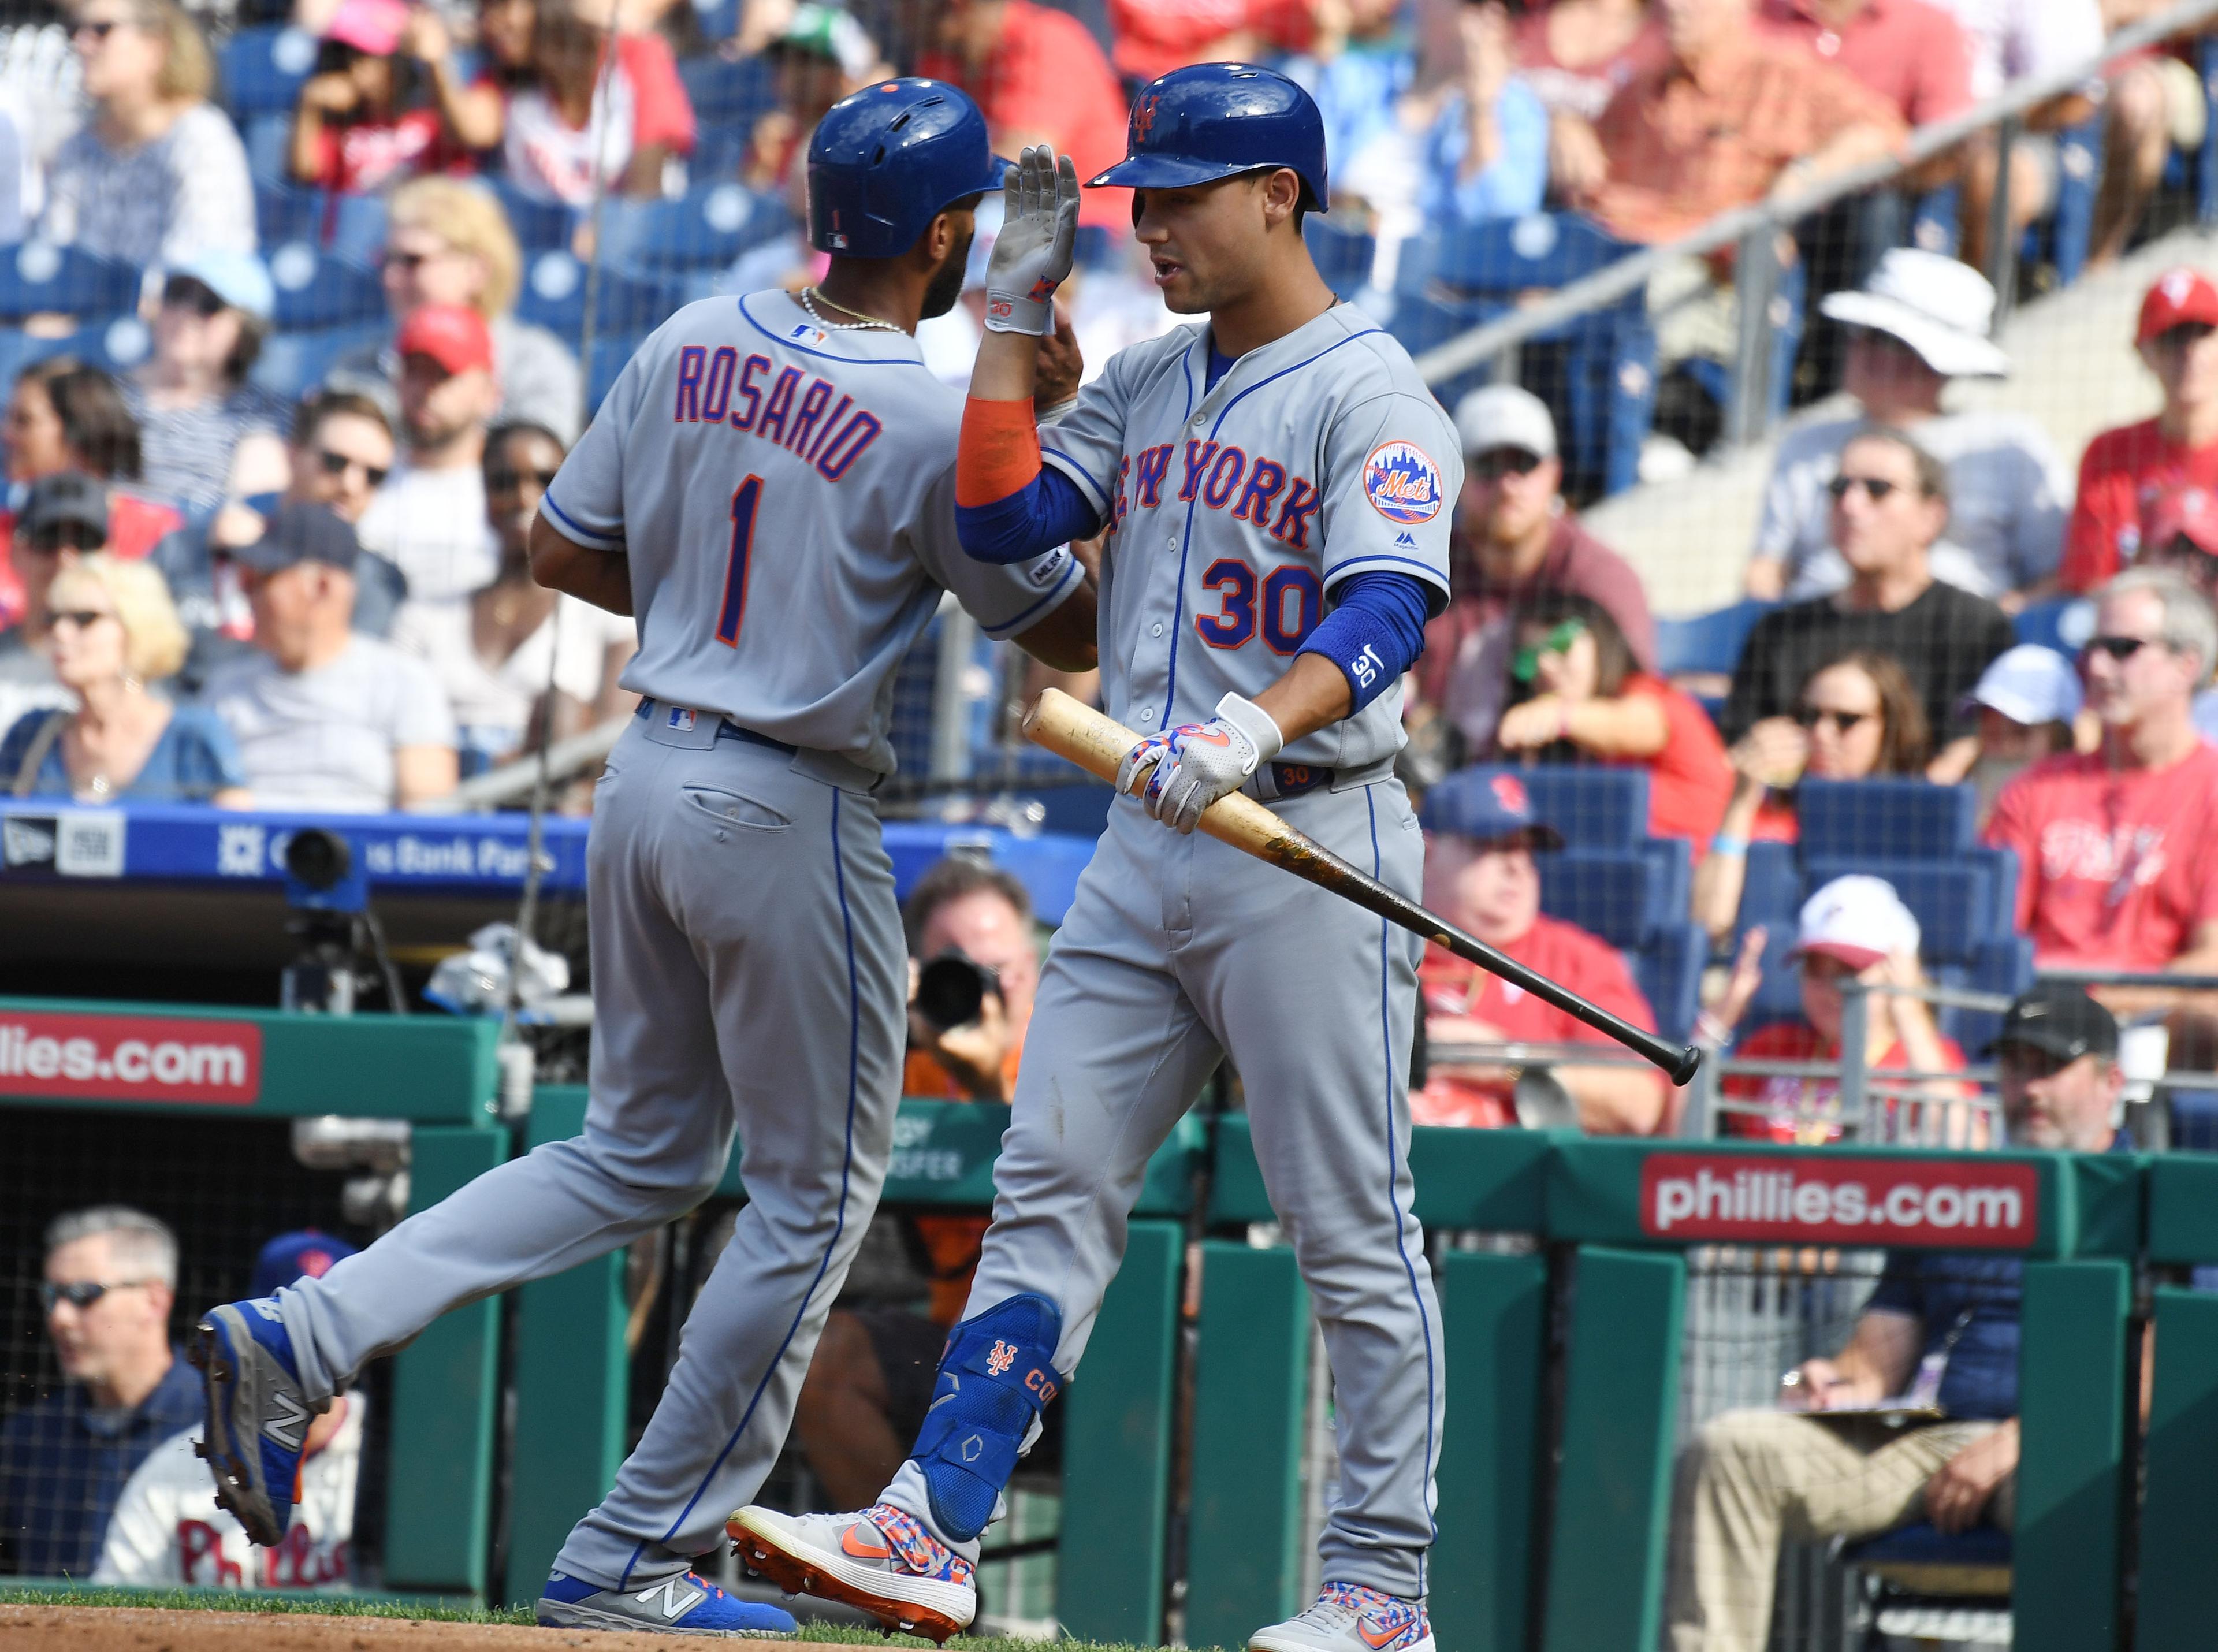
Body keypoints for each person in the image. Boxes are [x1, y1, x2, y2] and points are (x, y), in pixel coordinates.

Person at [189, 79, 1096, 1639]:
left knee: (639, 1154)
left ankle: (309, 1329)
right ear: (946, 237)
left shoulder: (692, 333)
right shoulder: (936, 412)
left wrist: (711, 605)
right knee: (810, 1199)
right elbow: (1067, 623)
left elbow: (553, 549)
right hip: (787, 800)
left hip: (647, 767)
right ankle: (629, 1553)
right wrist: (1044, 409)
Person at [735, 66, 1459, 1652]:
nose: (1151, 222)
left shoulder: (1376, 392)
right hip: (1143, 828)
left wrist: (1258, 727)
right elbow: (998, 521)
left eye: (1184, 192)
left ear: (1279, 194)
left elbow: (1389, 600)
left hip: (1309, 830)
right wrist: (1006, 310)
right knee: (1046, 1182)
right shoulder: (1146, 373)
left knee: (1350, 1221)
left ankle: (1381, 1591)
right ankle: (932, 1523)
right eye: (1145, 192)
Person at [1663, 983, 2126, 1652]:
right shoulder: (1961, 1193)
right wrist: (1835, 1384)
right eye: (2016, 1064)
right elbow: (1879, 1354)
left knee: (2083, 1489)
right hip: (1931, 1433)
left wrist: (2020, 1440)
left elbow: (2158, 1367)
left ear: (2111, 1080)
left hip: (2067, 1444)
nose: (2028, 1087)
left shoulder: (2141, 1187)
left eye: (2049, 1067)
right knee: (1733, 1450)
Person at [794, 859, 1042, 1511]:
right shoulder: (904, 1059)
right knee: (823, 1361)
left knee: (1187, 1376)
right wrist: (877, 1017)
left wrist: (992, 1085)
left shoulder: (1079, 1045)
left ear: (1033, 970)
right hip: (956, 1346)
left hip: (1084, 1354)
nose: (983, 990)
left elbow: (1057, 1173)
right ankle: (905, 1572)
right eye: (955, 969)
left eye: (1000, 971)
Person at [1562, 0, 1903, 384]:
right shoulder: (1644, 87)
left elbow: (1883, 134)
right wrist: (1564, 127)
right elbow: (1589, 175)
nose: (1675, 7)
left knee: (1623, 317)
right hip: (1616, 258)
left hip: (1713, 282)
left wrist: (1803, 176)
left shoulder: (1781, 77)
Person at [1745, 251, 2072, 607]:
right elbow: (1766, 570)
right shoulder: (1804, 444)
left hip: (1965, 647)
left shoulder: (2007, 443)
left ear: (1933, 365)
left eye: (1884, 340)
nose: (1859, 349)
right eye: (1860, 333)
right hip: (1818, 642)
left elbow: (2059, 573)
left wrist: (1994, 629)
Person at [1985, 568, 2218, 1010]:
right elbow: (1992, 939)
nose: (2096, 667)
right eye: (2093, 648)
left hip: (2156, 1029)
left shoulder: (2212, 790)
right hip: (2033, 1021)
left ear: (2186, 666)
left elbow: (2212, 957)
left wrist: (2098, 1010)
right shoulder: (2034, 789)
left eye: (2122, 649)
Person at [1724, 426, 2015, 779]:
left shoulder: (1975, 628)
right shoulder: (1780, 632)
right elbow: (1735, 758)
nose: (1850, 505)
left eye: (1878, 490)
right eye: (1839, 488)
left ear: (1931, 516)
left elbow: (1971, 757)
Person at [94, 1233, 363, 1591]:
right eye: (292, 1335)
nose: (311, 1353)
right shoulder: (172, 1471)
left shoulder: (397, 1462)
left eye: (328, 1336)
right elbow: (112, 1607)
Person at [1409, 769, 1670, 1134]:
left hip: (1508, 1179)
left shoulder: (1574, 960)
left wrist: (1509, 1063)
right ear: (1425, 853)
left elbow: (1638, 1104)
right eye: (1492, 845)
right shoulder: (1377, 948)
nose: (1517, 865)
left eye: (1526, 849)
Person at [1413, 385, 1655, 764]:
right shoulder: (1420, 570)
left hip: (1566, 791)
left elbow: (1650, 718)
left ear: (1554, 475)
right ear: (1453, 475)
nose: (1507, 485)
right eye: (1489, 467)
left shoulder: (1601, 577)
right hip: (1440, 792)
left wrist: (1560, 717)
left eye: (1524, 465)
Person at [392, 420, 634, 777]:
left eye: (545, 480)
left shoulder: (609, 615)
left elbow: (612, 742)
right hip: (439, 801)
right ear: (483, 494)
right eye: (503, 482)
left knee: (561, 709)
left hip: (557, 805)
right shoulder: (424, 618)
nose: (524, 496)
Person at [200, 502, 459, 812]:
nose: (245, 595)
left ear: (321, 587)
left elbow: (428, 820)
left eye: (259, 582)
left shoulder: (404, 681)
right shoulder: (225, 687)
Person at [0, 1208, 199, 1577]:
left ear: (154, 1301)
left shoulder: (217, 1423)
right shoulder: (27, 1441)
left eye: (83, 1294)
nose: (59, 1317)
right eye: (52, 1295)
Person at [155, 389, 407, 672]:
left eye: (374, 475)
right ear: (292, 454)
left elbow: (327, 679)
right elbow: (133, 668)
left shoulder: (373, 582)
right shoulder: (193, 545)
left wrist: (265, 572)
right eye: (335, 463)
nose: (352, 485)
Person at [325, 176, 586, 445]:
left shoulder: (535, 366)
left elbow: (538, 475)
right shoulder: (359, 367)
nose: (390, 278)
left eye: (412, 261)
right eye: (387, 260)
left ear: (476, 270)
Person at [1710, 875, 1970, 1144]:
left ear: (1897, 973)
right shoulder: (1775, 1046)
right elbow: (1686, 1133)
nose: (1829, 988)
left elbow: (1961, 1147)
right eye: (1815, 969)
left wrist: (1907, 1005)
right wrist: (1719, 1020)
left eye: (1849, 972)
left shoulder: (1926, 1058)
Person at [1695, 649, 1932, 936]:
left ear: (1891, 729)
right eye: (1810, 716)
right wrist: (1741, 803)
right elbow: (1710, 923)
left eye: (1846, 720)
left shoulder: (1917, 824)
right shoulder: (1763, 814)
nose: (1821, 732)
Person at [1491, 590, 1732, 853]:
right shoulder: (1564, 747)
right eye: (1529, 660)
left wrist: (1557, 713)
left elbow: (1633, 725)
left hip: (1724, 865)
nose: (1545, 666)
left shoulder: (1647, 696)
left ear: (1600, 640)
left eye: (1561, 645)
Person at [0, 553, 245, 803]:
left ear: (136, 627)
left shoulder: (194, 737)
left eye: (84, 619)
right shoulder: (31, 734)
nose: (60, 633)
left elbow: (234, 835)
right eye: (52, 619)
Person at [38, 0, 254, 269]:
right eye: (75, 30)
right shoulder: (76, 148)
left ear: (155, 46)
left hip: (174, 308)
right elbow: (53, 260)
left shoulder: (200, 138)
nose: (82, 44)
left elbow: (200, 270)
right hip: (87, 309)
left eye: (102, 30)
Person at [2062, 268, 2218, 594]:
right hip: (2139, 632)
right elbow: (2092, 583)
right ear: (2144, 353)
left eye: (2200, 333)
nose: (2188, 353)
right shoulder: (2110, 454)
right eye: (2173, 338)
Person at [0, 360, 186, 629]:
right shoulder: (5, 531)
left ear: (81, 430)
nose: (7, 434)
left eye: (24, 421)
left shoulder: (156, 534)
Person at [917, 0, 1130, 233]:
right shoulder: (947, 50)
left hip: (1087, 227)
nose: (899, 14)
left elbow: (1025, 161)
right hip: (1020, 217)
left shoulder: (1043, 39)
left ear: (957, 8)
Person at [355, 304, 503, 613]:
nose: (426, 390)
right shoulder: (357, 473)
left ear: (490, 394)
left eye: (443, 375)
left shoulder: (512, 488)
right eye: (414, 371)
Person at [122, 252, 291, 520]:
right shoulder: (103, 392)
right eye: (176, 294)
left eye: (208, 305)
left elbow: (250, 517)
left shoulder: (261, 415)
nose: (186, 313)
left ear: (245, 331)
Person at [500, 0, 696, 204]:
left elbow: (648, 183)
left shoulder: (634, 56)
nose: (503, 21)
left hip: (631, 225)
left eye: (523, 5)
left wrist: (609, 229)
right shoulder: (512, 76)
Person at [288, 0, 464, 195]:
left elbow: (462, 140)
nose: (358, 71)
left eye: (373, 59)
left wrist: (436, 65)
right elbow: (304, 174)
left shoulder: (431, 120)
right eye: (350, 58)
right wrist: (309, 106)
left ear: (401, 62)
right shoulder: (343, 130)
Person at [0, 474, 114, 741]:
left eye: (85, 542)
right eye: (49, 540)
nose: (65, 559)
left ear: (110, 556)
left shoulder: (128, 671)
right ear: (18, 552)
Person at [1756, 0, 1973, 131]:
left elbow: (1944, 144)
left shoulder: (1930, 28)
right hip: (1764, 190)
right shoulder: (1757, 16)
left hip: (1878, 192)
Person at [1959, 643, 2081, 827]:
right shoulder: (1953, 809)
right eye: (1991, 733)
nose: (2004, 748)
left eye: (2020, 733)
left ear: (2060, 739)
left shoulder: (2079, 827)